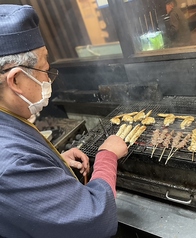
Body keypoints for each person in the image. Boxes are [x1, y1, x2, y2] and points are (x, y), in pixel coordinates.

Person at [0, 4, 128, 238]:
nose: (49, 77)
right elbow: (97, 220)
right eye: (44, 69)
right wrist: (106, 156)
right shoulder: (12, 164)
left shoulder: (7, 119)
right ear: (16, 80)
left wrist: (55, 163)